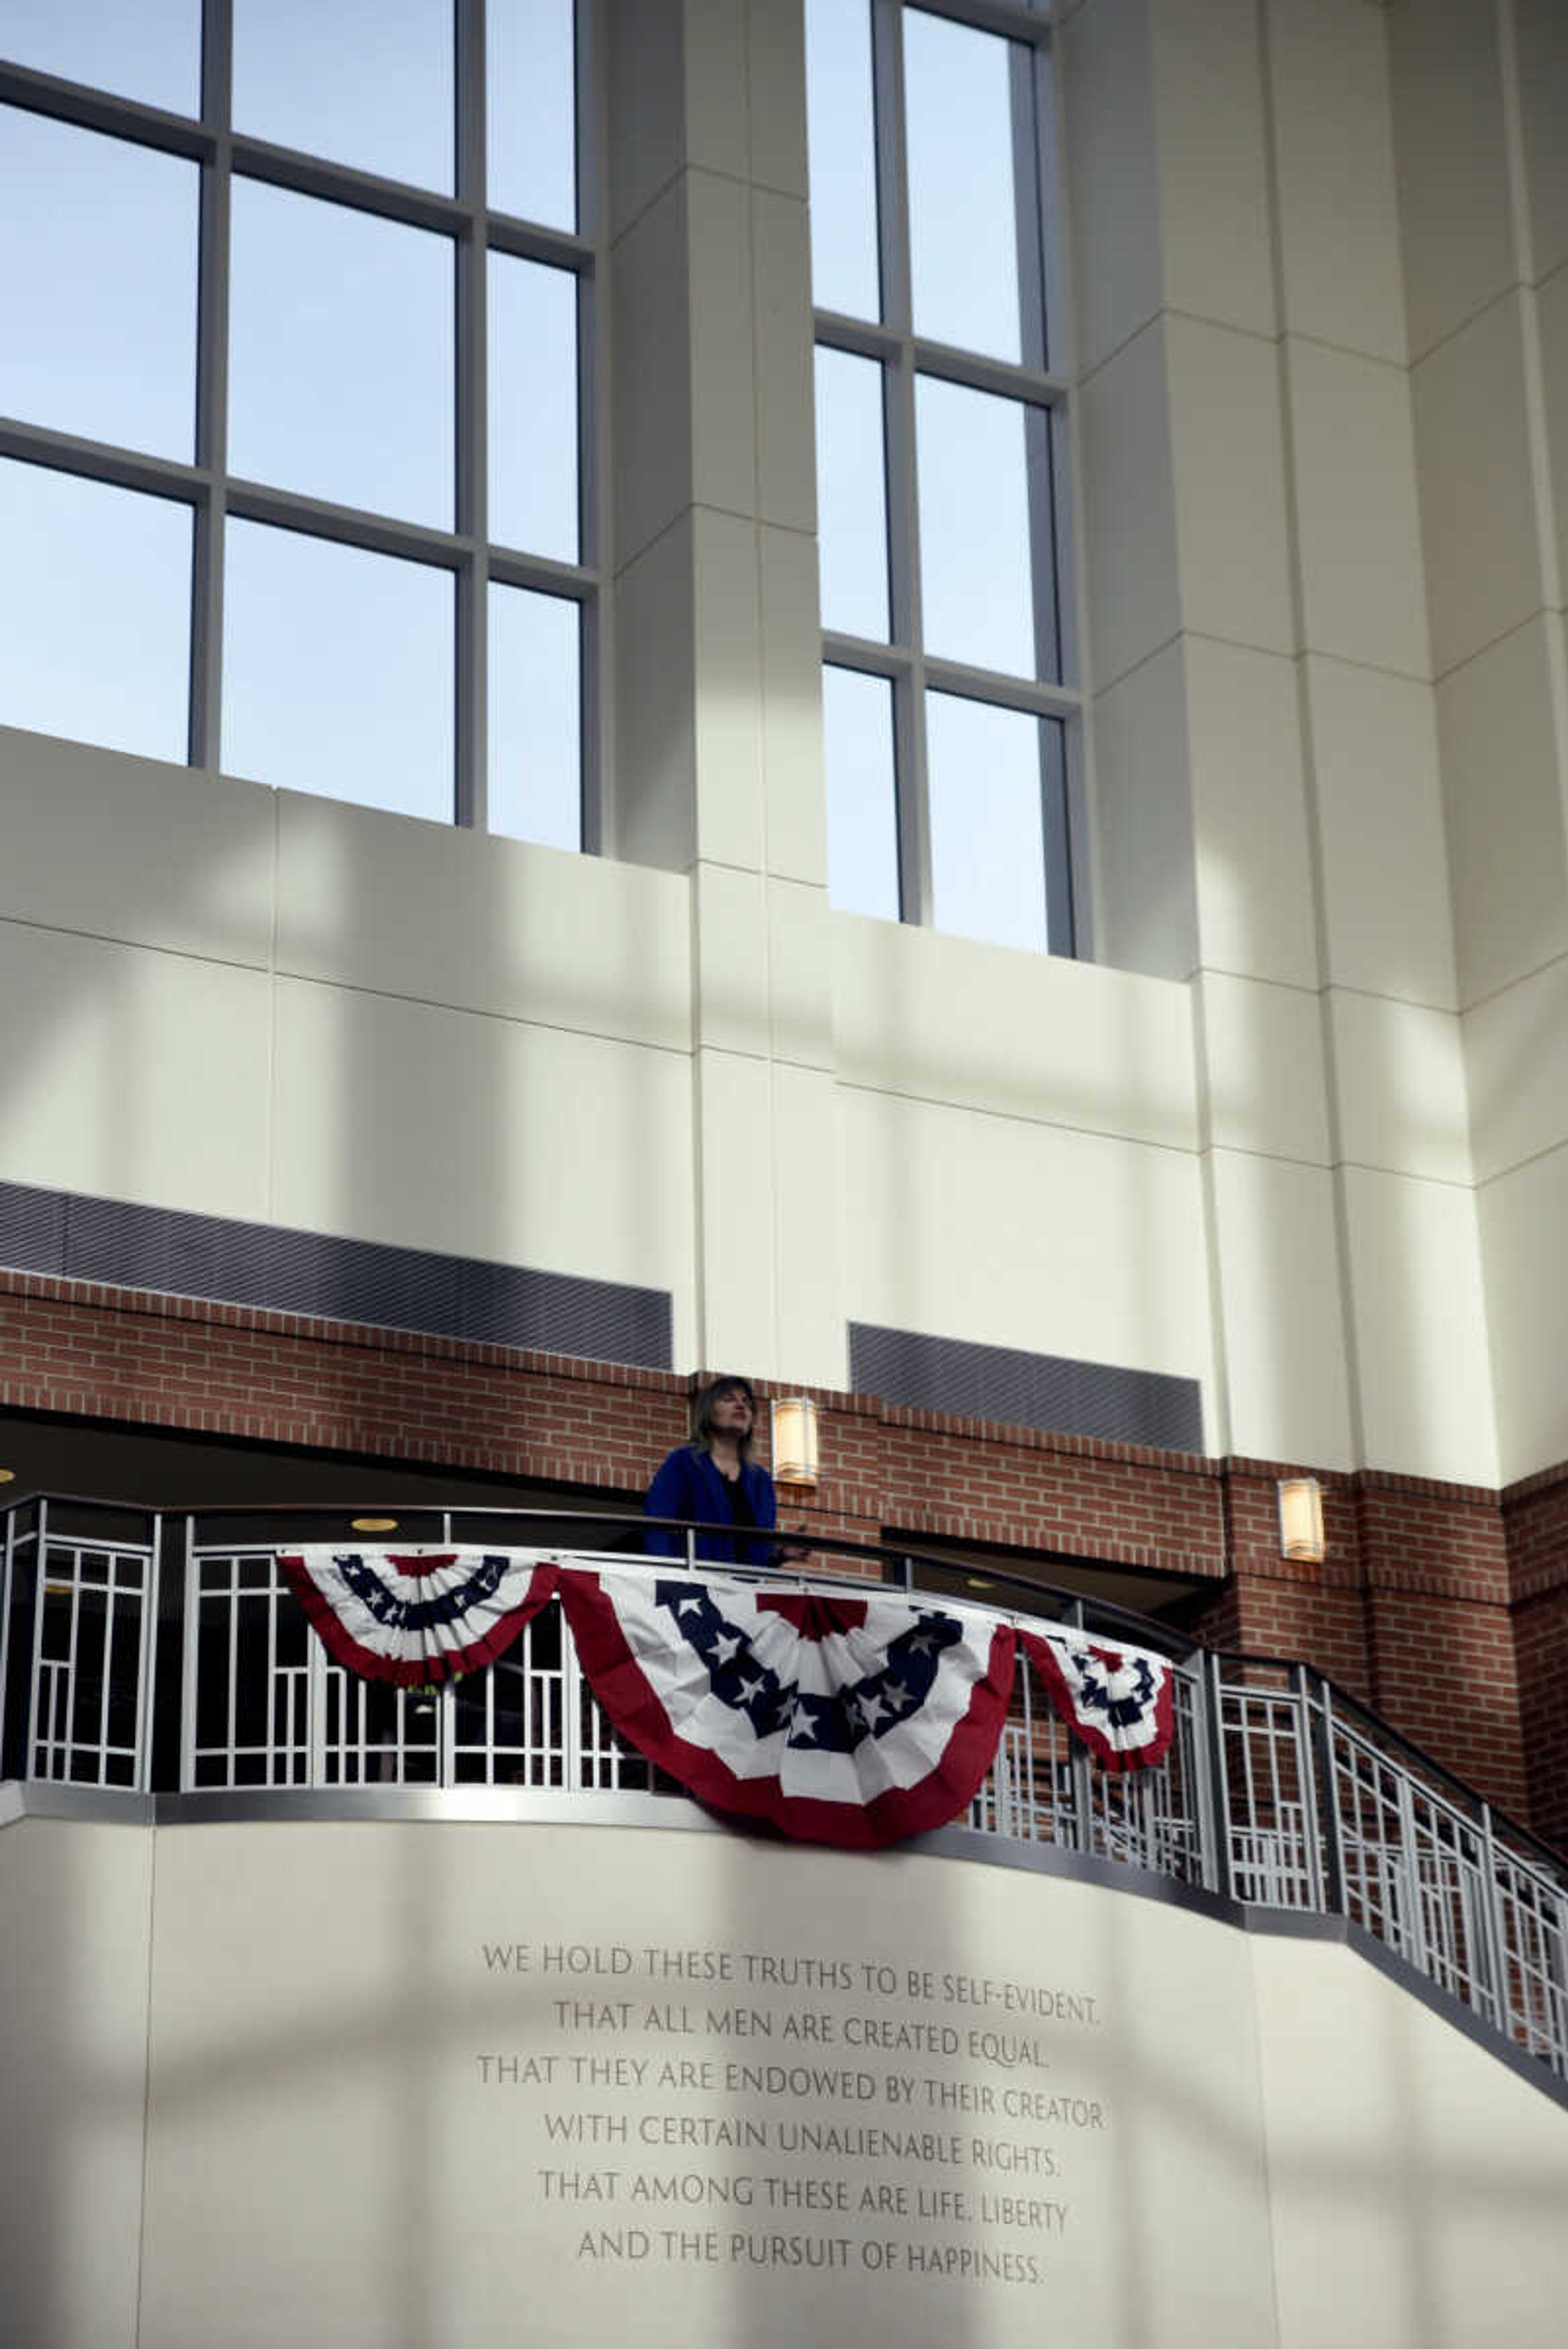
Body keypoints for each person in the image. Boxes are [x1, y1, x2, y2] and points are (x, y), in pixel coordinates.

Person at [644, 1375, 778, 1567]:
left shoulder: (762, 1482)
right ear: (709, 1412)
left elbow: (759, 1551)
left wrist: (779, 1554)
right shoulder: (683, 1462)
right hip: (694, 1587)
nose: (741, 1406)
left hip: (743, 1591)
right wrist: (666, 1577)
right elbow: (657, 1526)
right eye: (729, 1399)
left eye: (746, 1402)